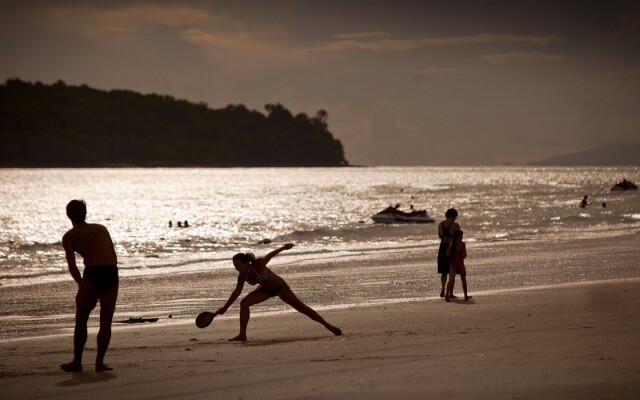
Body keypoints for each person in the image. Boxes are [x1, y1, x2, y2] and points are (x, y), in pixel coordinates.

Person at [214, 243, 342, 341]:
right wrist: (225, 307)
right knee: (244, 303)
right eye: (235, 266)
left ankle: (328, 325)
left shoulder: (258, 264)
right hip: (265, 290)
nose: (236, 268)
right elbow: (236, 292)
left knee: (302, 308)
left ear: (246, 263)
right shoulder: (242, 276)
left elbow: (270, 255)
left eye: (238, 265)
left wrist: (283, 247)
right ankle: (242, 335)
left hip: (280, 288)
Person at [61, 200, 119, 373]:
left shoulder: (69, 236)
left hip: (93, 273)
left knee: (82, 317)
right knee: (106, 321)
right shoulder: (101, 228)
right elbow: (113, 255)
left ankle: (77, 362)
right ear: (85, 212)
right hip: (111, 271)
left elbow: (72, 267)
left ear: (68, 215)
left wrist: (83, 285)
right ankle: (99, 363)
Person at [437, 208, 459, 298]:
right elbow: (457, 239)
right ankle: (450, 293)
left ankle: (442, 288)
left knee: (443, 271)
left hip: (442, 248)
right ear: (453, 216)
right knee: (452, 271)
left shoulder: (440, 224)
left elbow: (440, 236)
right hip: (451, 248)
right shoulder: (455, 225)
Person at [445, 229, 472, 302]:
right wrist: (461, 255)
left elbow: (447, 254)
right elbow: (465, 254)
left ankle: (447, 294)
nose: (462, 237)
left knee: (451, 280)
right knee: (463, 280)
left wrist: (454, 255)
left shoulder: (452, 244)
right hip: (460, 263)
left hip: (453, 263)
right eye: (462, 236)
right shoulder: (462, 244)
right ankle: (465, 296)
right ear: (460, 236)